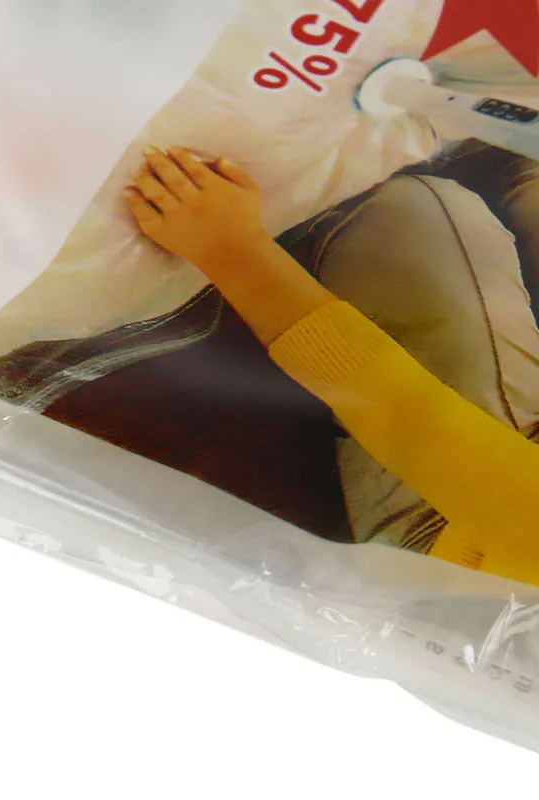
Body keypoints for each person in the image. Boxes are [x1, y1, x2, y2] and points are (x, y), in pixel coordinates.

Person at [121, 145, 539, 586]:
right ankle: (508, 166)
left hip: (468, 541)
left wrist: (228, 246)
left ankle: (333, 228)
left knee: (413, 214)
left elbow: (402, 411)